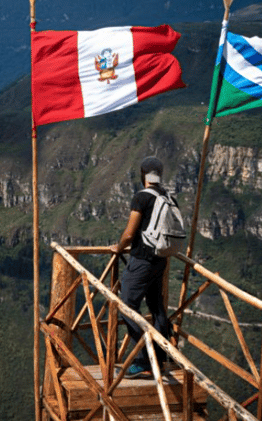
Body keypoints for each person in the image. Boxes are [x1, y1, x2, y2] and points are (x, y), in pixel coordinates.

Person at [110, 156, 173, 379]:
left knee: (127, 305)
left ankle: (144, 360)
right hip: (160, 261)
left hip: (141, 262)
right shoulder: (166, 196)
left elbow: (129, 233)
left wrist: (118, 248)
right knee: (156, 306)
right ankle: (162, 355)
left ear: (143, 175)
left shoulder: (141, 198)